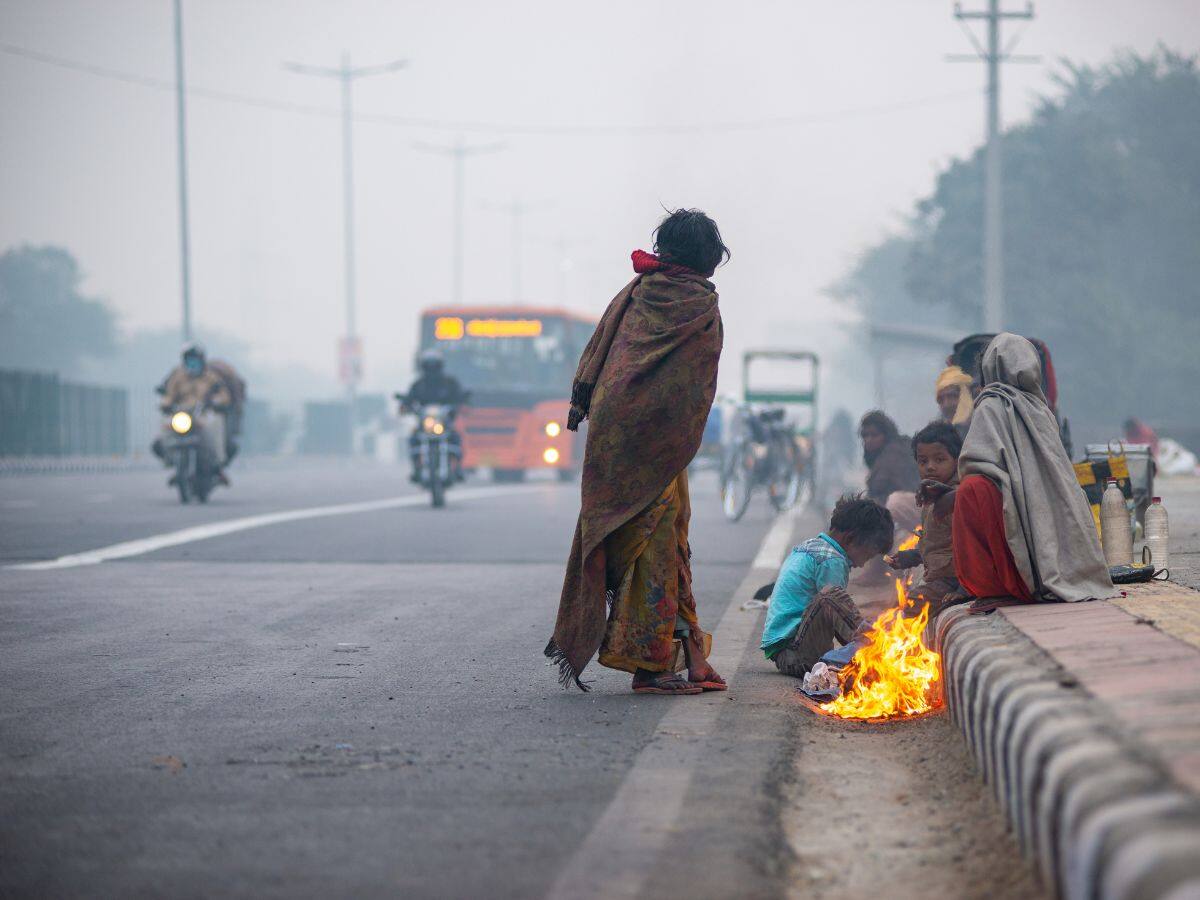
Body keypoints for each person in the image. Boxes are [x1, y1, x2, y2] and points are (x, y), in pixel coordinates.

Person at [545, 208, 729, 695]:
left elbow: (602, 358)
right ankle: (652, 668)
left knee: (667, 540)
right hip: (659, 442)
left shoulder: (637, 294)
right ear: (708, 258)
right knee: (657, 546)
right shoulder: (699, 305)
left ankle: (692, 658)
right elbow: (691, 389)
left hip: (613, 435)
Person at [953, 333, 1116, 611]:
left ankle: (998, 586)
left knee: (972, 489)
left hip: (1008, 508)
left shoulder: (991, 404)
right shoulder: (1041, 409)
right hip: (1038, 515)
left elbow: (974, 463)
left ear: (991, 366)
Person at [760, 494, 894, 677]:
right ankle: (874, 650)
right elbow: (834, 608)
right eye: (867, 555)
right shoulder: (832, 560)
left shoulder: (810, 546)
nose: (862, 564)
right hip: (796, 654)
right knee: (831, 596)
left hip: (787, 652)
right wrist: (862, 639)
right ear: (850, 539)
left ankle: (868, 645)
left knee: (837, 603)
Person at [886, 420, 963, 616]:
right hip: (940, 576)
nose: (930, 467)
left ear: (956, 460)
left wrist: (964, 589)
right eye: (923, 461)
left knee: (910, 605)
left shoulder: (957, 498)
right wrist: (910, 557)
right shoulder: (931, 497)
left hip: (955, 580)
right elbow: (936, 543)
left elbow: (972, 547)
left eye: (939, 460)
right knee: (902, 600)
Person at [154, 342, 233, 482]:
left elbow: (223, 394)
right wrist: (165, 404)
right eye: (189, 360)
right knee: (164, 428)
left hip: (203, 413)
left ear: (202, 360)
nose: (193, 363)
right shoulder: (178, 377)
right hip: (182, 414)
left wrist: (217, 401)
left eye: (195, 360)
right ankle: (169, 459)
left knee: (215, 424)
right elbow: (169, 396)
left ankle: (217, 463)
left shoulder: (211, 377)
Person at [403, 350, 469, 483]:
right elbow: (409, 400)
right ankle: (417, 468)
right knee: (413, 440)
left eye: (434, 366)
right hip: (425, 424)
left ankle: (458, 468)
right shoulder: (418, 385)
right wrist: (405, 406)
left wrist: (461, 404)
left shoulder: (450, 383)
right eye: (428, 366)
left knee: (456, 439)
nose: (431, 370)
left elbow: (460, 396)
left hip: (445, 423)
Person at [860, 409, 920, 537]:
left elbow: (907, 490)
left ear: (886, 435)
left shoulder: (896, 454)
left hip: (905, 517)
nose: (869, 440)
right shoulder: (880, 456)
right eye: (865, 435)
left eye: (874, 435)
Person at [935, 365, 975, 437]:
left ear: (966, 397)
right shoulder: (938, 435)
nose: (946, 405)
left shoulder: (985, 425)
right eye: (941, 400)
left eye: (951, 396)